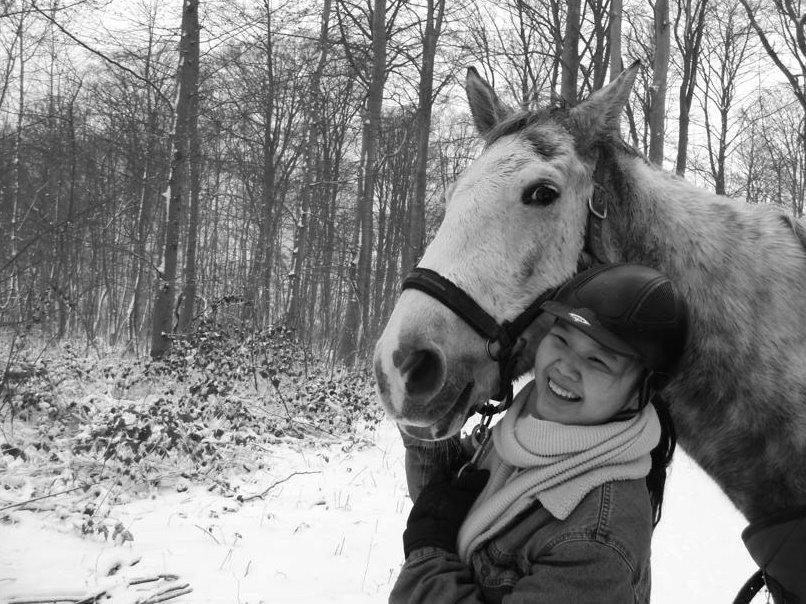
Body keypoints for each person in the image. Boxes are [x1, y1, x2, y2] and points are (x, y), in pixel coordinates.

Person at [390, 263, 688, 604]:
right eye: (561, 339)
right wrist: (420, 417)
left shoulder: (596, 539)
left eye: (599, 361)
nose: (563, 366)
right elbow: (447, 500)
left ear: (641, 392)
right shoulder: (523, 431)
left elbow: (435, 528)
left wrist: (428, 555)